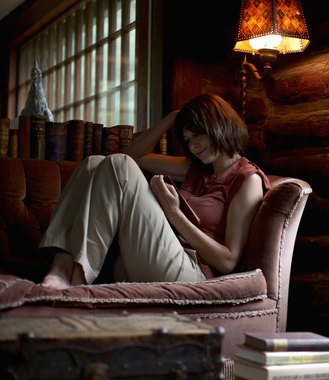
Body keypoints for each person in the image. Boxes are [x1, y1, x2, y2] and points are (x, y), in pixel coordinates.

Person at [39, 93, 270, 290]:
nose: (192, 147)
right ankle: (61, 267)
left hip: (193, 275)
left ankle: (78, 280)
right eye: (187, 140)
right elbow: (134, 155)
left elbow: (228, 261)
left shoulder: (247, 180)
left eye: (196, 135)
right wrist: (173, 117)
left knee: (120, 166)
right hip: (154, 259)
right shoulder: (194, 169)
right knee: (93, 162)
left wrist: (175, 215)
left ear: (217, 125)